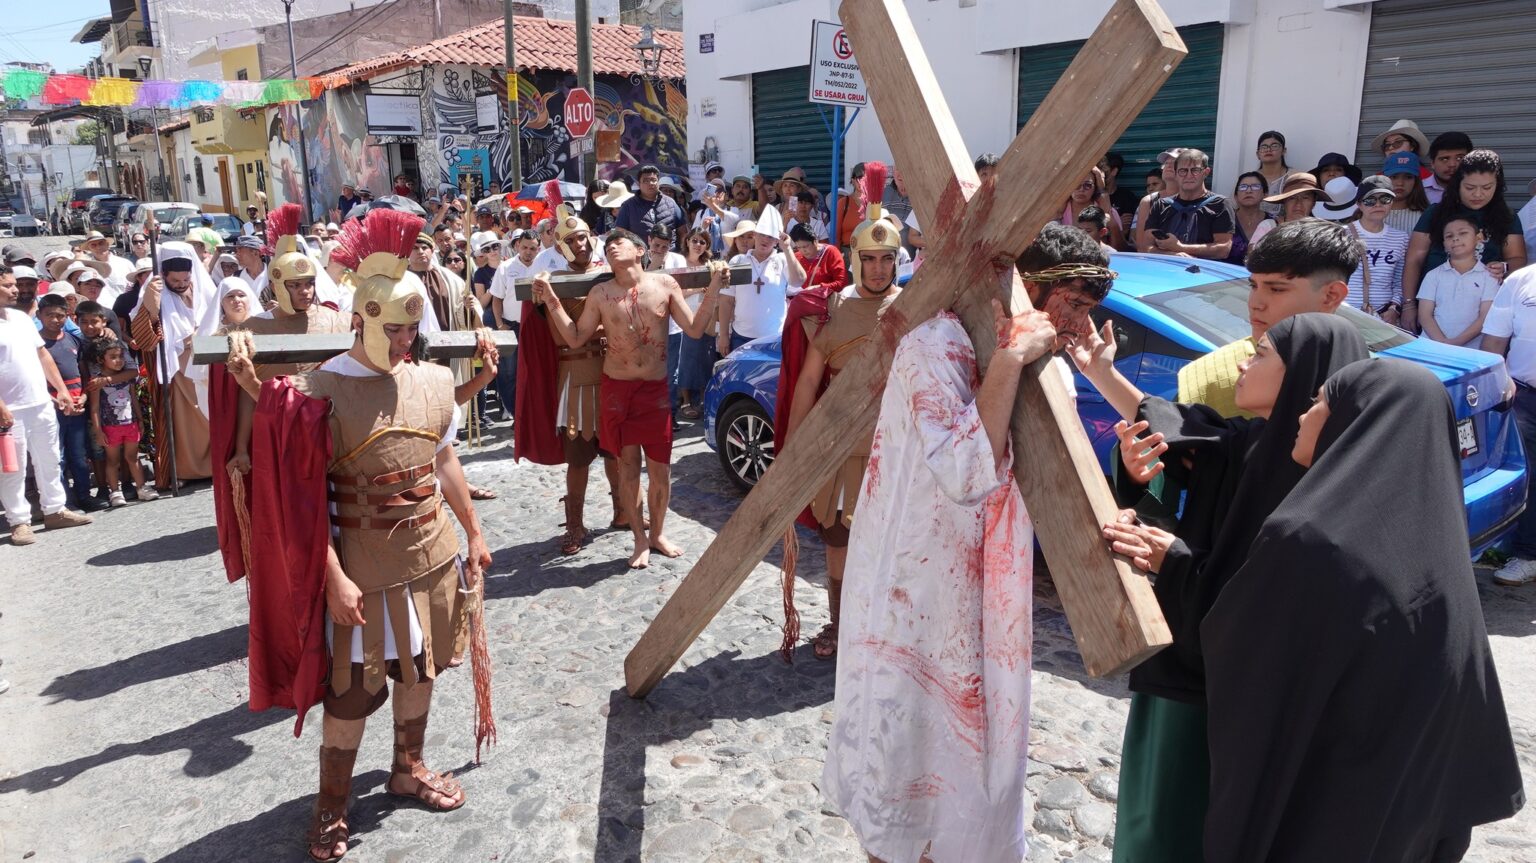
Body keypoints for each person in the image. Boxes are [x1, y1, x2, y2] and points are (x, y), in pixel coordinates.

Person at [823, 225, 1113, 863]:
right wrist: (1008, 361)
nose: (1077, 325)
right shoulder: (934, 346)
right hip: (916, 580)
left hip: (991, 585)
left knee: (978, 758)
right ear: (1024, 289)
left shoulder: (1049, 362)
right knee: (904, 749)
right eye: (1071, 305)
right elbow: (962, 471)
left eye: (1089, 311)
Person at [233, 208, 496, 863]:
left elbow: (442, 460)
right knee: (352, 692)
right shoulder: (319, 388)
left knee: (423, 669)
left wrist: (475, 529)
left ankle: (408, 766)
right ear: (364, 317)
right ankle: (330, 805)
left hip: (432, 560)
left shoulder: (434, 381)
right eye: (398, 329)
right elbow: (300, 503)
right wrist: (333, 576)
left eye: (414, 329)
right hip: (361, 570)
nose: (408, 340)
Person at [1203, 358, 1523, 862]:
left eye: (1320, 403)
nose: (1306, 416)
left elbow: (1251, 665)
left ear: (1355, 419)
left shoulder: (1312, 536)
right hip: (1403, 808)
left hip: (1323, 804)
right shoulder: (1435, 533)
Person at [1084, 313, 1369, 863]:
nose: (1242, 361)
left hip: (1245, 695)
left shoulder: (1329, 479)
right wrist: (1139, 463)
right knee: (1156, 823)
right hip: (1185, 667)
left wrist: (1176, 562)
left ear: (1305, 375)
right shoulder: (1250, 443)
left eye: (1261, 355)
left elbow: (1280, 598)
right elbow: (1172, 430)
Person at [533, 229, 722, 568]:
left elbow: (694, 329)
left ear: (639, 250)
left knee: (661, 471)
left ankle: (658, 533)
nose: (610, 247)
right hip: (617, 391)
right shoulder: (601, 293)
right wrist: (551, 299)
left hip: (655, 391)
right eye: (607, 246)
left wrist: (716, 286)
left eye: (617, 243)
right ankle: (638, 539)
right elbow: (575, 338)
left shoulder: (665, 285)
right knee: (628, 467)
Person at [778, 164, 902, 660]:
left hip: (891, 447)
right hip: (838, 447)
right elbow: (809, 380)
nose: (877, 269)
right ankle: (838, 623)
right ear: (856, 259)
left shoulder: (913, 307)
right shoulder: (831, 307)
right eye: (869, 259)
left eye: (885, 260)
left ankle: (885, 628)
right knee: (839, 539)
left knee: (891, 541)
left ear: (896, 261)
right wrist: (792, 446)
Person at [515, 201, 629, 554]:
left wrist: (595, 329)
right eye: (572, 241)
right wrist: (599, 329)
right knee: (578, 457)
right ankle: (576, 527)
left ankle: (622, 512)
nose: (580, 245)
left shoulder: (609, 278)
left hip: (611, 372)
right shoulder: (555, 284)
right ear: (562, 247)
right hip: (575, 374)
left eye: (583, 238)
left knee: (614, 453)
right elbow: (560, 336)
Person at [1178, 219, 1353, 419]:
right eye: (1253, 286)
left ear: (1332, 296)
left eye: (1276, 289)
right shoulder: (1208, 377)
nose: (1255, 304)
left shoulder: (1366, 384)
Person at [0, 265, 93, 545]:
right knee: (12, 468)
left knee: (50, 459)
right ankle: (19, 521)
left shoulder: (21, 319)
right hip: (9, 410)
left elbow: (42, 356)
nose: (15, 289)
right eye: (8, 285)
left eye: (15, 284)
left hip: (40, 403)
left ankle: (55, 510)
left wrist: (62, 390)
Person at [1403, 149, 1528, 332]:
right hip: (1434, 307)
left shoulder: (1507, 217)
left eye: (1487, 187)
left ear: (1498, 185)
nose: (1478, 194)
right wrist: (1408, 304)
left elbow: (1517, 258)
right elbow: (1414, 260)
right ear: (1457, 184)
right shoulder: (1435, 213)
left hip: (1483, 310)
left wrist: (1505, 267)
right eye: (1470, 187)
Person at [129, 243, 218, 490]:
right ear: (164, 276)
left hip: (207, 367)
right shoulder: (154, 293)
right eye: (175, 280)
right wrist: (150, 308)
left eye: (185, 279)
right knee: (184, 427)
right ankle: (186, 469)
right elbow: (145, 337)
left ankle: (217, 465)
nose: (181, 284)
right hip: (177, 372)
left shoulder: (202, 290)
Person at [1483, 264, 1536, 585]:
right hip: (1526, 397)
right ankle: (1528, 555)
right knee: (1529, 475)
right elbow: (1494, 343)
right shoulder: (1522, 280)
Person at [36, 294, 99, 513]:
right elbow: (35, 379)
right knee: (58, 456)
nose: (55, 320)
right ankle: (64, 501)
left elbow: (83, 372)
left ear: (67, 316)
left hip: (77, 406)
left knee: (79, 455)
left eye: (60, 316)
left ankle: (84, 496)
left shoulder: (74, 340)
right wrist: (54, 401)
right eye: (50, 315)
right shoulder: (36, 344)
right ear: (39, 315)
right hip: (53, 409)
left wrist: (82, 397)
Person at [719, 220, 805, 356]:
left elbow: (799, 281)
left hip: (774, 338)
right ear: (756, 235)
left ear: (777, 240)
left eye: (770, 236)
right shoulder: (737, 261)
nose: (765, 239)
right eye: (762, 234)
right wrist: (723, 335)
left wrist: (787, 249)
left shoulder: (783, 259)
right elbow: (726, 300)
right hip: (741, 336)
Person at [85, 335, 154, 506]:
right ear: (101, 359)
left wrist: (139, 419)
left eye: (121, 356)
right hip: (110, 428)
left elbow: (133, 398)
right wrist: (98, 430)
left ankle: (142, 487)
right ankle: (115, 492)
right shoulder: (96, 382)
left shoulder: (126, 377)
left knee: (132, 457)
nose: (119, 361)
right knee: (113, 461)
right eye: (113, 357)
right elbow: (94, 408)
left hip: (130, 424)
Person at [1418, 215, 1499, 350]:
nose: (1455, 238)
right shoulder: (1433, 275)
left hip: (1471, 350)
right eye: (1449, 236)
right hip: (1432, 347)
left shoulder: (1489, 277)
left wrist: (1455, 343)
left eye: (1463, 233)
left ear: (1478, 238)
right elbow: (1424, 315)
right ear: (1444, 244)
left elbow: (1485, 316)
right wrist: (1442, 343)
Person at [1141, 149, 1233, 260]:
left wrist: (1180, 247)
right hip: (1165, 271)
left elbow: (1223, 250)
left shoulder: (1220, 204)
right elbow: (1146, 247)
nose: (1189, 176)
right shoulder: (1160, 205)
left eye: (1195, 170)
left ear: (1206, 172)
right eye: (1183, 171)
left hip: (1204, 273)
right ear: (1175, 174)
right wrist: (1172, 255)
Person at [1340, 175, 1409, 322]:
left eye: (1385, 199)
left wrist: (1394, 308)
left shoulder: (1401, 238)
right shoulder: (1341, 234)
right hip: (1345, 313)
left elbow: (1400, 281)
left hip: (1383, 317)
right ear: (1359, 204)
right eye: (1370, 200)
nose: (1378, 205)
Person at [676, 228, 719, 419]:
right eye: (695, 240)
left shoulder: (709, 265)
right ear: (687, 241)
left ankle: (702, 397)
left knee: (705, 357)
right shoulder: (678, 263)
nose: (698, 245)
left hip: (705, 316)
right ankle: (685, 400)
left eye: (703, 242)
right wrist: (696, 289)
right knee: (684, 360)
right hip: (683, 316)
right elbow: (674, 293)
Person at [615, 165, 685, 241]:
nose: (650, 183)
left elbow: (683, 231)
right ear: (639, 184)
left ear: (658, 182)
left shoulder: (671, 203)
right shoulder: (628, 206)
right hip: (640, 251)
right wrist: (636, 245)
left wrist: (681, 251)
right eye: (645, 181)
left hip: (668, 251)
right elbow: (620, 231)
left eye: (653, 180)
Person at [1063, 167, 1125, 249]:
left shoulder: (1109, 212)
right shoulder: (1058, 211)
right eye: (1076, 184)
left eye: (1087, 185)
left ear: (1095, 187)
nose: (1081, 189)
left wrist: (1109, 218)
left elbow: (1119, 248)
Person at [1226, 171, 1273, 264]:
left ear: (1265, 194)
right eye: (1243, 187)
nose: (1248, 191)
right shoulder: (1225, 219)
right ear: (1236, 196)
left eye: (1255, 186)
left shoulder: (1273, 222)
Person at [1383, 152, 1431, 236]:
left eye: (1408, 177)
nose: (1400, 183)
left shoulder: (1426, 216)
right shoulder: (1368, 212)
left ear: (1416, 181)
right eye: (1394, 177)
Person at [1425, 131, 1474, 206]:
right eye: (1445, 159)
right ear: (1432, 163)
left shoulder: (1482, 191)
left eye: (1459, 158)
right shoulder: (1418, 191)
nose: (1452, 164)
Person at [1253, 131, 1291, 216]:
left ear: (1284, 151)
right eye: (1264, 146)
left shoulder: (1295, 177)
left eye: (1274, 146)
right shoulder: (1248, 180)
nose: (1268, 149)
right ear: (1258, 154)